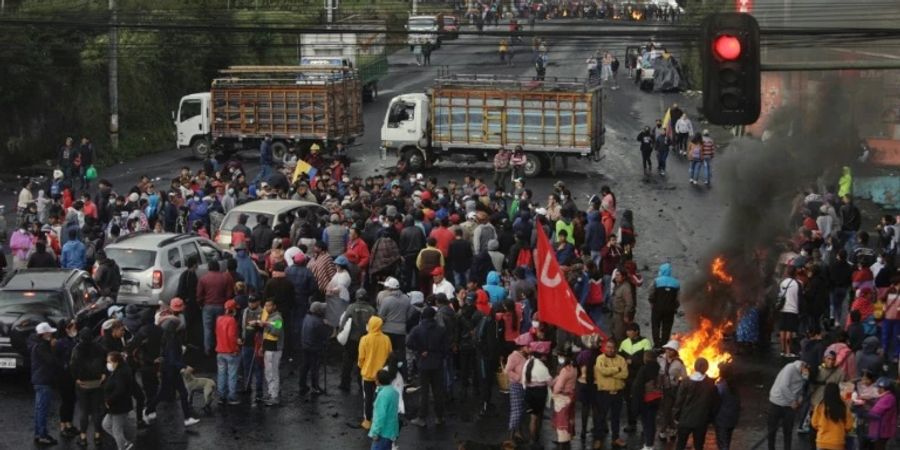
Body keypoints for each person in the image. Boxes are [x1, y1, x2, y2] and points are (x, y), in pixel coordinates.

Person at [407, 307, 449, 427]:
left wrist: (420, 350)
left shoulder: (417, 329)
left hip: (423, 363)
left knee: (424, 392)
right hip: (437, 363)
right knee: (438, 391)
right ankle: (439, 417)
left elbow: (409, 343)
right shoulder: (441, 330)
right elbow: (446, 348)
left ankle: (422, 417)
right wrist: (440, 356)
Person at [673, 358, 720, 450]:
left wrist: (676, 416)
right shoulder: (710, 383)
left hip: (685, 419)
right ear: (706, 368)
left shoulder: (686, 382)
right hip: (701, 421)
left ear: (695, 367)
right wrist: (710, 419)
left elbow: (679, 401)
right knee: (699, 445)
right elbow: (715, 404)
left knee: (680, 444)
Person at [358, 316, 392, 430]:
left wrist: (362, 367)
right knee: (381, 398)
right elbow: (389, 355)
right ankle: (381, 420)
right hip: (381, 374)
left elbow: (361, 357)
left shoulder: (365, 339)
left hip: (368, 374)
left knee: (368, 398)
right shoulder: (386, 339)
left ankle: (368, 421)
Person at [767, 359, 810, 450]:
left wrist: (800, 398)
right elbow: (783, 386)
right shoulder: (790, 368)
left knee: (788, 431)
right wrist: (792, 401)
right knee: (772, 430)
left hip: (790, 406)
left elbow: (801, 388)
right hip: (777, 402)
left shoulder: (805, 375)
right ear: (803, 365)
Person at [594, 338, 628, 449]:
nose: (610, 350)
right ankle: (598, 439)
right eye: (608, 347)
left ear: (616, 349)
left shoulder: (621, 359)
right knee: (601, 417)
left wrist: (611, 372)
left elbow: (625, 375)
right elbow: (603, 371)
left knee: (616, 417)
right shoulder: (600, 358)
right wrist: (617, 369)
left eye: (613, 348)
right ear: (605, 347)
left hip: (618, 392)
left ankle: (615, 438)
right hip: (604, 393)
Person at [340, 288, 376, 392]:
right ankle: (362, 384)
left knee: (347, 362)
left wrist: (341, 334)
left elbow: (343, 322)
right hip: (366, 340)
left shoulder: (351, 307)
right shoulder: (371, 309)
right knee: (364, 362)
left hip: (352, 339)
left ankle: (345, 384)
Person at [619, 323, 652, 433]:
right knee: (629, 401)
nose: (628, 332)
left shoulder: (645, 342)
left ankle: (645, 425)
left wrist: (633, 361)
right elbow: (619, 358)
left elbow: (648, 360)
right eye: (627, 331)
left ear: (637, 331)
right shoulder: (624, 343)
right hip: (627, 377)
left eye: (630, 330)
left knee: (642, 401)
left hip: (640, 377)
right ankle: (631, 423)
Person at [31, 322, 60, 445]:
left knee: (39, 409)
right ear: (44, 334)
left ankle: (39, 433)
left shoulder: (37, 345)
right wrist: (53, 348)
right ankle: (42, 435)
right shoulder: (43, 347)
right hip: (44, 381)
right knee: (42, 409)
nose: (52, 335)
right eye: (49, 332)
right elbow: (51, 361)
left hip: (39, 380)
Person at [197, 259, 235, 355]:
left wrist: (201, 304)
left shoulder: (203, 279)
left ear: (209, 267)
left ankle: (208, 349)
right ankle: (221, 347)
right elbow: (229, 294)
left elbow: (199, 295)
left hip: (207, 306)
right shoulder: (225, 278)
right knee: (221, 328)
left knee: (208, 328)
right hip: (221, 306)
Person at [102, 351, 134, 450]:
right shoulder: (119, 370)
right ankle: (125, 443)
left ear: (116, 362)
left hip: (119, 407)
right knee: (106, 425)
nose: (108, 364)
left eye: (109, 362)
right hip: (115, 406)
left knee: (117, 431)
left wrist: (109, 400)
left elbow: (120, 390)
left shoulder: (121, 373)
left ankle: (122, 446)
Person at [524, 340, 553, 445]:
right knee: (538, 416)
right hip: (539, 394)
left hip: (528, 392)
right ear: (542, 356)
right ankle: (536, 438)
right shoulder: (542, 368)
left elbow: (523, 380)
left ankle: (532, 440)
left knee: (532, 417)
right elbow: (550, 382)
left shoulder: (527, 363)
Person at [298, 302, 331, 396]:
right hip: (314, 348)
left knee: (305, 366)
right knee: (314, 368)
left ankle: (302, 385)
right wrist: (327, 325)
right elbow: (326, 335)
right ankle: (315, 387)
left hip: (305, 345)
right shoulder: (318, 322)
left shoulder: (307, 317)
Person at [632, 351, 662, 450]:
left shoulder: (644, 369)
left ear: (647, 358)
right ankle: (650, 443)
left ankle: (648, 445)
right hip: (656, 399)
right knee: (652, 422)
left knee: (646, 422)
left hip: (646, 400)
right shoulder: (659, 368)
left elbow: (638, 386)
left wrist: (636, 402)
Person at [658, 339, 686, 441]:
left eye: (671, 350)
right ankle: (673, 428)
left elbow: (684, 377)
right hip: (660, 387)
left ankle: (663, 430)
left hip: (671, 389)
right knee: (666, 410)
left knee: (667, 409)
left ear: (675, 352)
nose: (668, 351)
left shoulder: (679, 363)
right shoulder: (660, 359)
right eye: (667, 349)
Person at [811, 382, 853, 450]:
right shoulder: (843, 407)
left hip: (822, 442)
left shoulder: (819, 406)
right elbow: (848, 426)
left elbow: (814, 423)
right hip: (838, 443)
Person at [506, 333, 532, 440]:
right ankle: (510, 436)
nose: (530, 348)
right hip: (516, 386)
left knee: (521, 410)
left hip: (525, 386)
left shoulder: (528, 356)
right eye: (528, 346)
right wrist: (518, 377)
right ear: (523, 347)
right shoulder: (514, 356)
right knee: (516, 411)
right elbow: (507, 370)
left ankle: (518, 432)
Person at [215, 299, 241, 406]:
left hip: (220, 351)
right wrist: (235, 348)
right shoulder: (232, 320)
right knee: (232, 375)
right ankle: (232, 397)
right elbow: (232, 336)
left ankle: (221, 396)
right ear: (233, 310)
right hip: (230, 352)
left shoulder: (219, 319)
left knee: (221, 374)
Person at [648, 263, 680, 349]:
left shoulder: (656, 281)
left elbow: (651, 293)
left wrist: (652, 302)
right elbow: (678, 298)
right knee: (667, 328)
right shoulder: (676, 283)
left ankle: (656, 344)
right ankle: (664, 345)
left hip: (657, 309)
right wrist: (675, 307)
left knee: (655, 326)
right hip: (670, 310)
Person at [259, 299, 284, 406]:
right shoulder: (269, 317)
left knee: (273, 373)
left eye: (269, 306)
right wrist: (262, 347)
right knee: (268, 372)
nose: (266, 308)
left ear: (274, 306)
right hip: (268, 348)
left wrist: (266, 324)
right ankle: (271, 393)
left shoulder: (278, 318)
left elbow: (276, 332)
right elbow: (266, 335)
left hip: (275, 349)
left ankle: (274, 396)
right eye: (265, 306)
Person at [551, 350, 577, 449]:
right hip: (570, 397)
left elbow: (559, 386)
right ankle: (566, 441)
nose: (559, 359)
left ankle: (562, 443)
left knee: (562, 422)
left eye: (561, 356)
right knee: (569, 418)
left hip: (562, 398)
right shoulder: (574, 368)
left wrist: (554, 393)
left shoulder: (565, 370)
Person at [369, 369, 401, 450]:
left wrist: (375, 432)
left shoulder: (382, 395)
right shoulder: (393, 392)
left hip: (382, 433)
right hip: (391, 432)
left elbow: (380, 416)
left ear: (379, 381)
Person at [865, 378, 898, 450]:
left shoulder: (888, 397)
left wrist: (863, 411)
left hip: (883, 432)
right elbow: (876, 405)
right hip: (881, 431)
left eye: (880, 388)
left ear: (886, 388)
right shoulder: (884, 396)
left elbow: (875, 411)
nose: (878, 390)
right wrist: (867, 402)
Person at [714, 364, 741, 450]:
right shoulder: (734, 384)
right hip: (732, 418)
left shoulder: (721, 387)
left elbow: (715, 401)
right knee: (727, 441)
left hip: (722, 419)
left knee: (722, 443)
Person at [778, 266, 801, 357]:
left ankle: (782, 350)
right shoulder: (797, 284)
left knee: (782, 330)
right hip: (793, 309)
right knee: (789, 331)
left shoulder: (782, 283)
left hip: (782, 308)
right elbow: (800, 298)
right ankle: (788, 351)